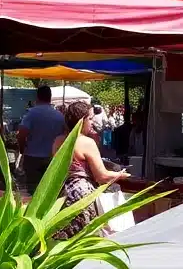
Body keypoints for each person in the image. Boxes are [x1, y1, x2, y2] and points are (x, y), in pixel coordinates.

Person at [54, 101, 128, 239]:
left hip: (61, 194)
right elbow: (102, 176)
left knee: (65, 237)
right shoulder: (87, 142)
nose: (92, 122)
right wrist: (120, 175)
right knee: (84, 237)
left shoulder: (58, 141)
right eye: (90, 119)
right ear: (82, 121)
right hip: (81, 195)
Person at [16, 86, 64, 192]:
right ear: (50, 97)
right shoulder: (59, 116)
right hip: (52, 157)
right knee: (50, 189)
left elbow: (21, 134)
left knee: (33, 189)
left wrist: (22, 149)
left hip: (33, 157)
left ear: (37, 97)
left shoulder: (31, 114)